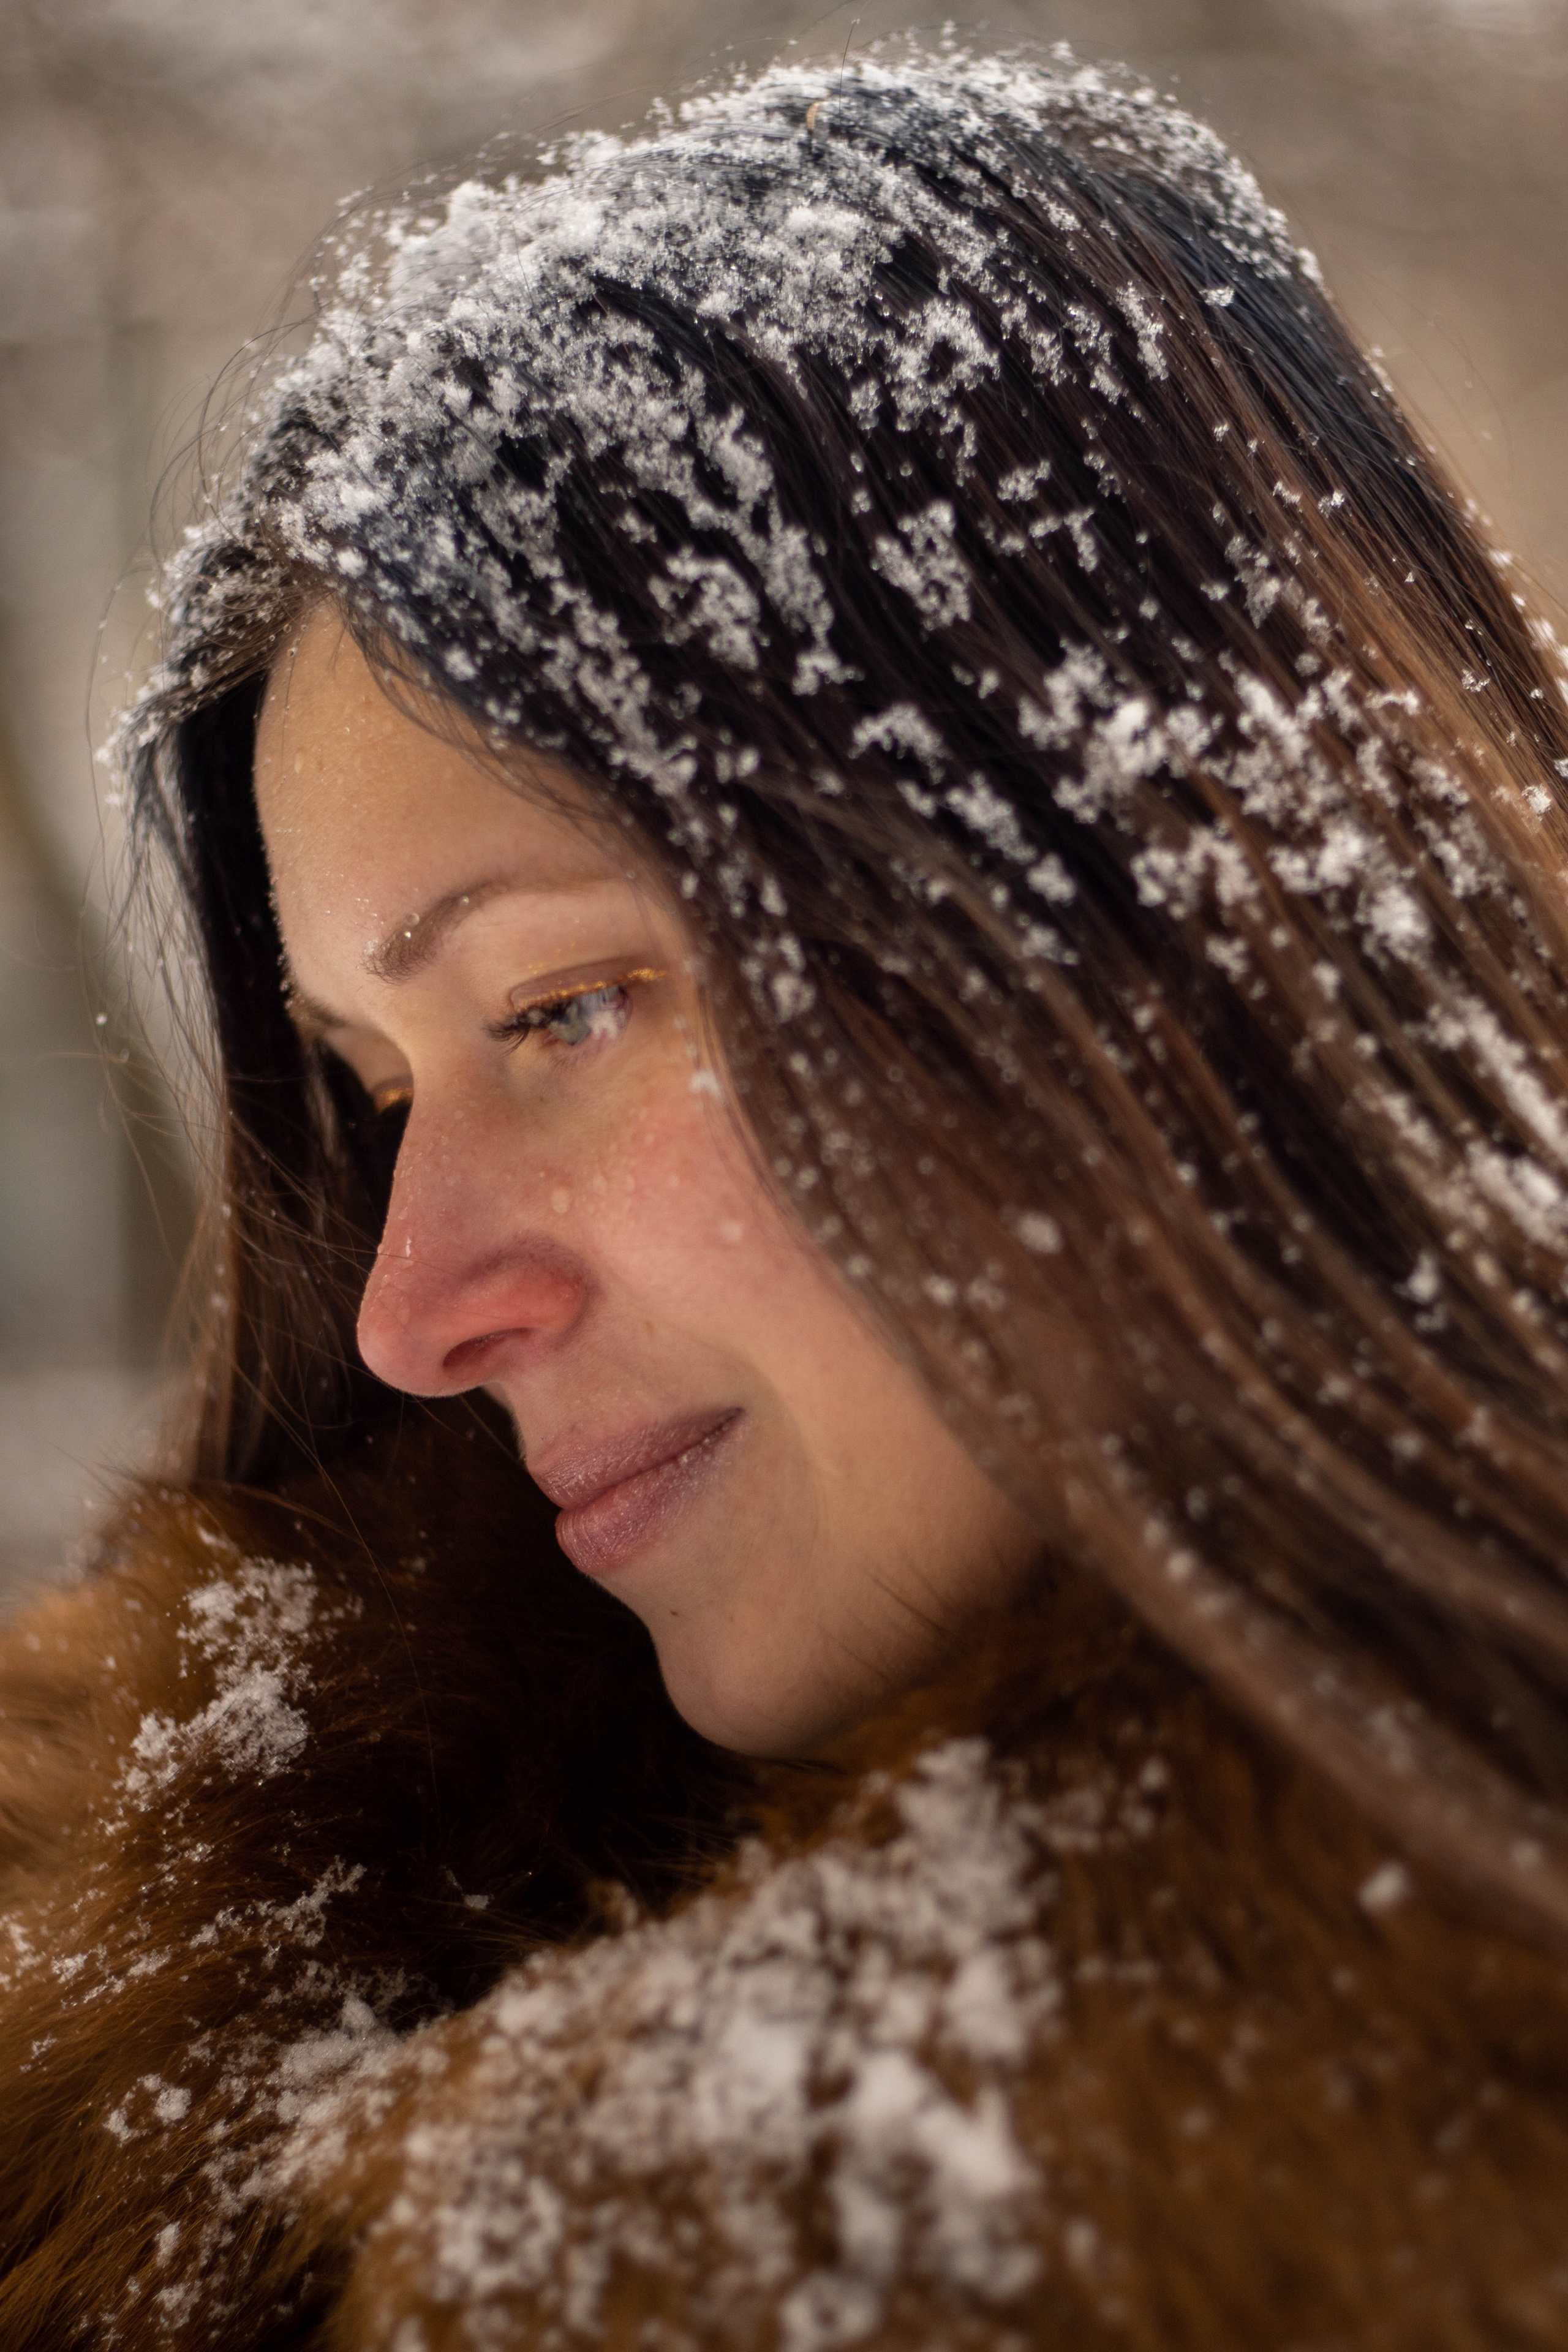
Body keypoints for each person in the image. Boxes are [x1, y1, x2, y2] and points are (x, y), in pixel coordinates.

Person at [6, 37, 1568, 2348]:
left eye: (557, 1011)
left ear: (1140, 919)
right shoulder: (205, 2058)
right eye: (373, 1087)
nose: (408, 1311)